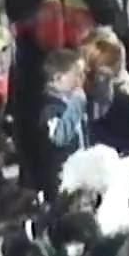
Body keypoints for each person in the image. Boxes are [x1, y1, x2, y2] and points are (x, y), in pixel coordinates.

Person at [5, 0, 124, 172]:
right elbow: (15, 7)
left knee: (79, 138)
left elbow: (111, 13)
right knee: (37, 142)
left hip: (79, 69)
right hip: (36, 71)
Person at [35, 49, 89, 198]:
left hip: (80, 171)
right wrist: (76, 105)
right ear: (58, 78)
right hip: (61, 177)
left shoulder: (71, 101)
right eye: (77, 74)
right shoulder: (50, 108)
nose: (82, 78)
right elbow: (60, 137)